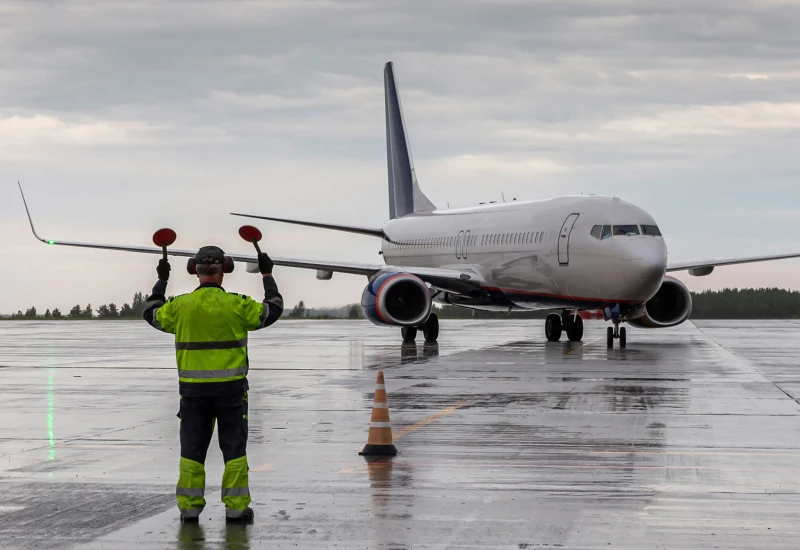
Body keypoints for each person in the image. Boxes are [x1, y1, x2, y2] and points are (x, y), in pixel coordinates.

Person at [143, 246, 283, 523]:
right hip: (231, 392)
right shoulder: (238, 305)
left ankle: (190, 508)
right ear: (225, 269)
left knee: (192, 451)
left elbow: (151, 312)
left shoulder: (180, 307)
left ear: (194, 269)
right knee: (233, 450)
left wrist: (161, 280)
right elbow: (273, 309)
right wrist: (267, 274)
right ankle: (236, 508)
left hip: (193, 394)